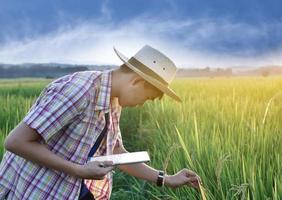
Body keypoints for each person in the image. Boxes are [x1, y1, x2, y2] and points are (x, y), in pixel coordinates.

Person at [0, 45, 201, 200]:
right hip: (36, 189)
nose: (142, 104)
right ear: (136, 82)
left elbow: (115, 153)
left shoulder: (113, 99)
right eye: (146, 98)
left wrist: (166, 179)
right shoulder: (79, 91)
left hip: (69, 189)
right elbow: (16, 142)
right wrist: (79, 170)